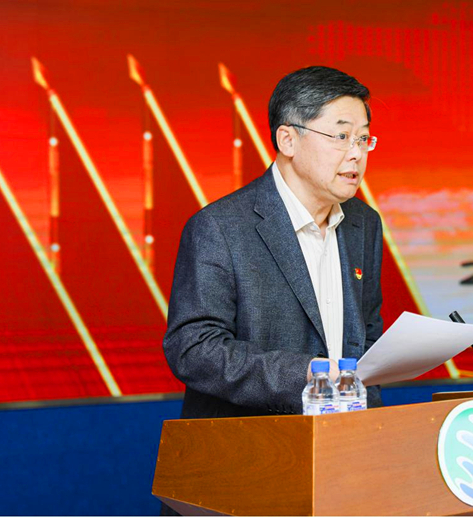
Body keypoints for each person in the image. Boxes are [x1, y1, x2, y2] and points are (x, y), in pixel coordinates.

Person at [163, 66, 383, 420]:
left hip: (347, 437)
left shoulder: (364, 223)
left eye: (363, 139)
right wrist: (305, 375)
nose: (356, 153)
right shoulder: (220, 227)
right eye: (341, 136)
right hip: (253, 440)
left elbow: (367, 331)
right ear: (287, 140)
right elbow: (194, 349)